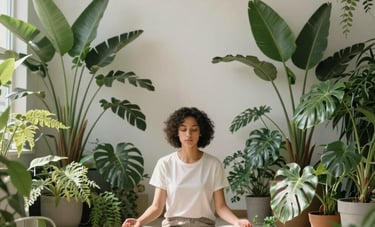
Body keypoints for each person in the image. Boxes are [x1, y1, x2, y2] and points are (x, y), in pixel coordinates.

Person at [122, 107, 252, 227]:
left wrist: (237, 221)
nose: (188, 134)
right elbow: (157, 207)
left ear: (201, 132)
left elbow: (221, 207)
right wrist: (139, 221)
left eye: (194, 129)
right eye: (183, 129)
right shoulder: (165, 163)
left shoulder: (213, 165)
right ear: (176, 133)